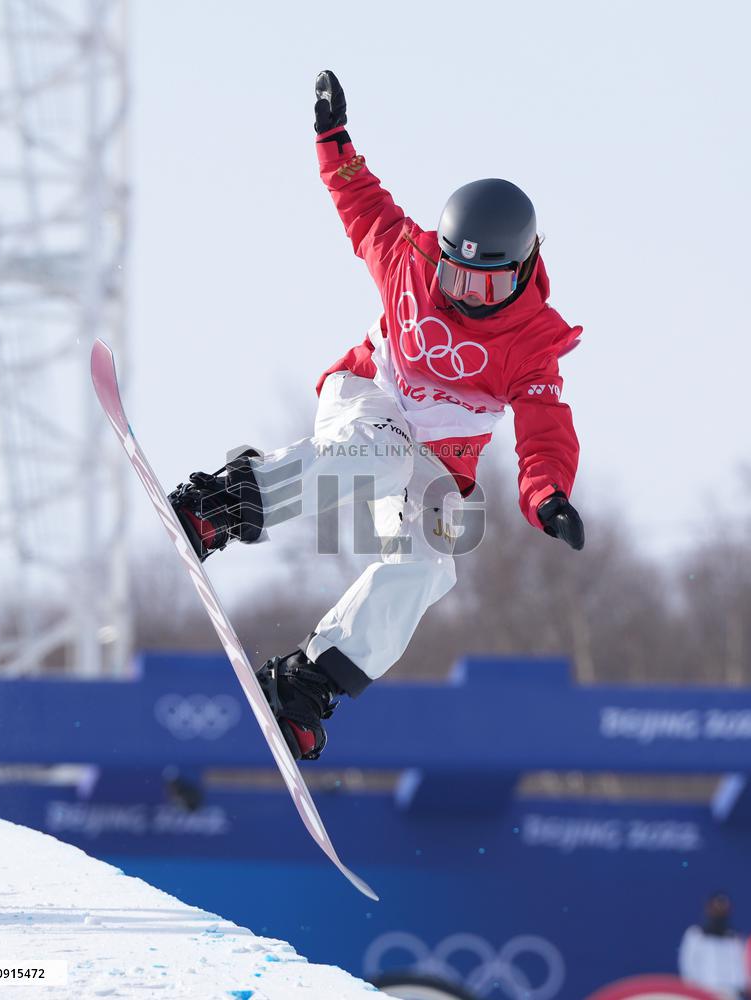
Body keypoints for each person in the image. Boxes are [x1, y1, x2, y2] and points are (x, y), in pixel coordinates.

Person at [168, 71, 585, 761]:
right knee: (379, 452)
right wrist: (333, 138)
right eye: (456, 276)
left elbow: (544, 430)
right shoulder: (408, 259)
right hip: (368, 398)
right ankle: (222, 505)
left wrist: (547, 496)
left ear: (522, 267)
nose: (465, 296)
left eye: (485, 284)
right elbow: (358, 198)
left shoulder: (533, 340)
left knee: (433, 562)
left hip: (437, 463)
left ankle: (307, 681)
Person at [679, 892, 749, 999]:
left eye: (723, 908)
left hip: (732, 994)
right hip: (705, 993)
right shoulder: (695, 935)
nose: (720, 911)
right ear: (709, 909)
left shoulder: (735, 939)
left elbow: (740, 970)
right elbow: (687, 967)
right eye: (717, 907)